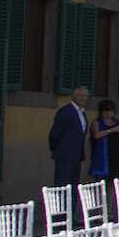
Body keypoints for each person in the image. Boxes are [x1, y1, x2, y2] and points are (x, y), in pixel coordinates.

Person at [48, 86, 90, 217]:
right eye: (81, 95)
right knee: (61, 187)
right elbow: (54, 135)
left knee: (73, 188)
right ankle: (59, 217)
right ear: (74, 96)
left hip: (76, 157)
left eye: (85, 96)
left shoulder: (82, 113)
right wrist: (60, 151)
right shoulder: (65, 112)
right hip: (64, 156)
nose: (83, 98)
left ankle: (70, 217)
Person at [89, 99, 119, 185]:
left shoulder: (118, 123)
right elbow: (96, 135)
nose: (108, 113)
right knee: (102, 183)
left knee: (115, 183)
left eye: (110, 110)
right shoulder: (97, 122)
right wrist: (111, 130)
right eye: (105, 110)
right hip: (103, 156)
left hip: (117, 156)